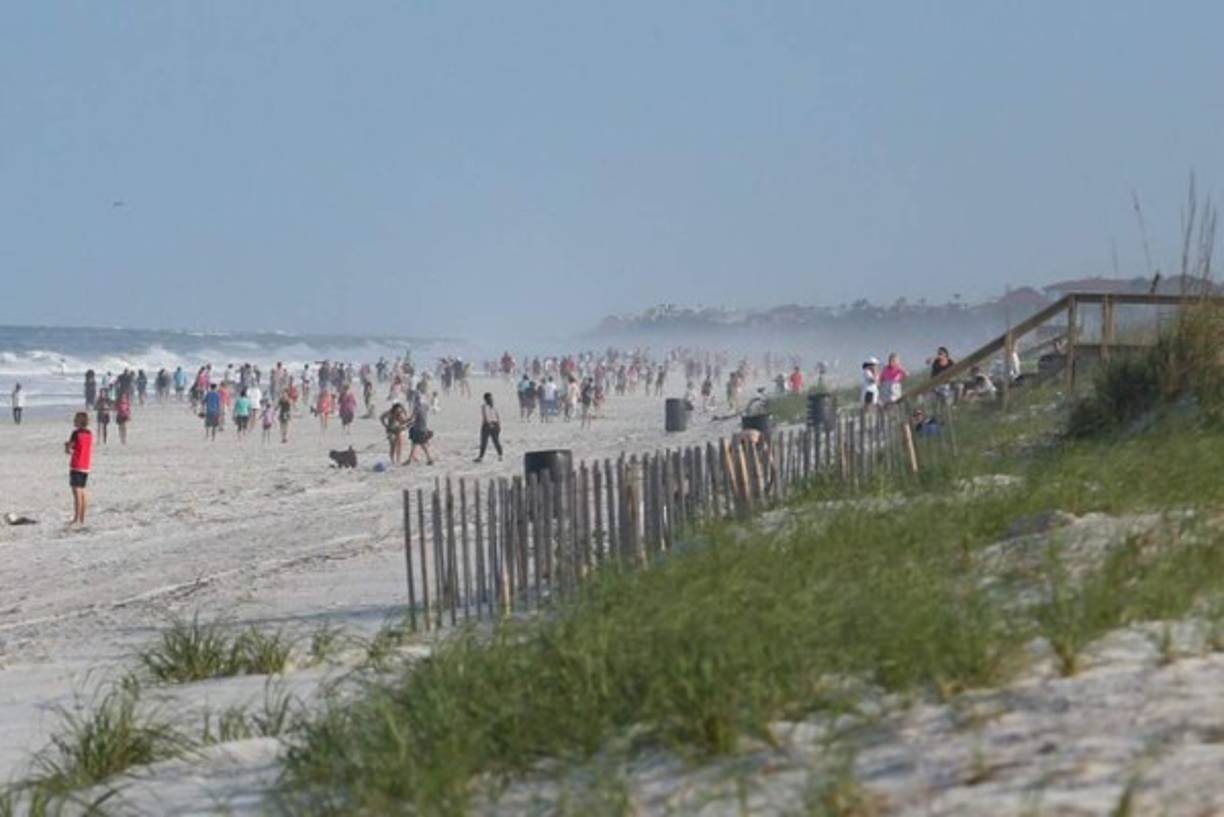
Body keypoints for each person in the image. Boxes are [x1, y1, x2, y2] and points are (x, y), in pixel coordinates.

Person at [65, 412, 92, 526]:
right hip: (86, 464)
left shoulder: (76, 433)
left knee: (77, 492)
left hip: (77, 464)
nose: (74, 421)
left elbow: (70, 449)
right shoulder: (89, 433)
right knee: (83, 491)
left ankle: (76, 518)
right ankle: (81, 518)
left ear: (79, 421)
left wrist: (67, 446)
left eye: (75, 420)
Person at [406, 392, 435, 465]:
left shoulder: (417, 408)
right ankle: (410, 459)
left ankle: (429, 459)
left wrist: (407, 423)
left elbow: (413, 418)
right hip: (423, 427)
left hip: (418, 429)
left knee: (420, 444)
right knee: (416, 444)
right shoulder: (425, 406)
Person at [474, 392, 503, 463]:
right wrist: (492, 424)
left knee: (494, 441)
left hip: (492, 424)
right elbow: (486, 415)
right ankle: (481, 457)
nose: (491, 399)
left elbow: (497, 416)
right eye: (489, 398)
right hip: (489, 424)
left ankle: (500, 455)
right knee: (485, 442)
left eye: (491, 398)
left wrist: (498, 425)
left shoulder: (493, 407)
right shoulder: (485, 406)